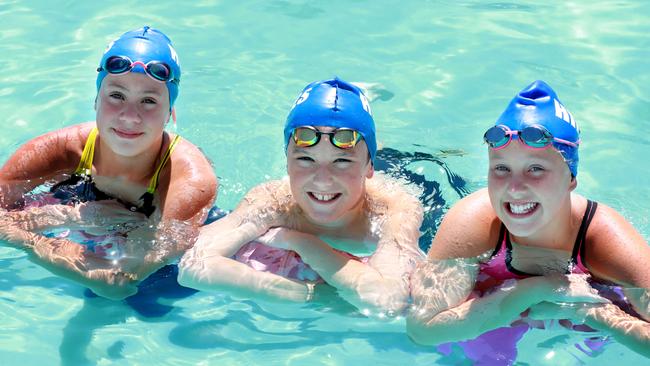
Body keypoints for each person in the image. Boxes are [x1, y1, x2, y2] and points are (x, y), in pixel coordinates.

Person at [407, 80, 650, 356]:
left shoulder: (604, 238)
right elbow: (422, 329)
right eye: (501, 168)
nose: (514, 188)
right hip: (493, 323)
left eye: (535, 169)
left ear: (571, 178)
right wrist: (534, 290)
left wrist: (593, 311)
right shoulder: (474, 222)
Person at [0, 26, 217, 300]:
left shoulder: (189, 180)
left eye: (149, 101)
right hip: (81, 210)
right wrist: (65, 217)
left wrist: (36, 240)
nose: (129, 116)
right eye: (117, 96)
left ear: (170, 113)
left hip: (163, 258)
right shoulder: (58, 150)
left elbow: (119, 280)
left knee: (146, 305)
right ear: (95, 100)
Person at [178, 78, 424, 314]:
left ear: (368, 167)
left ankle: (361, 106)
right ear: (287, 163)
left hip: (393, 172)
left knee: (382, 152)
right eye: (306, 159)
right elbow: (193, 265)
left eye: (342, 161)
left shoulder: (394, 209)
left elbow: (388, 301)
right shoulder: (273, 200)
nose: (322, 179)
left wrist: (300, 241)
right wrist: (313, 296)